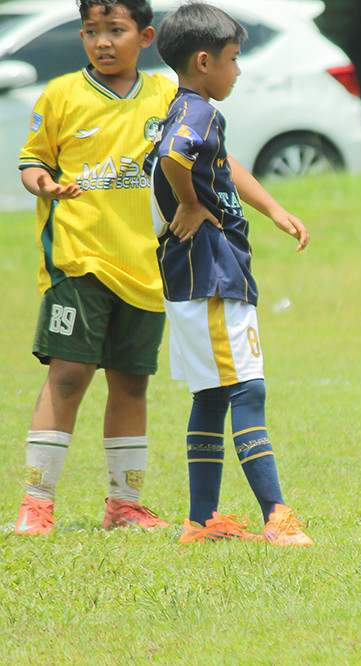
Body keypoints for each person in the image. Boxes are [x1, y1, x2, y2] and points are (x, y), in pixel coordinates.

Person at [148, 3, 312, 545]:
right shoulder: (199, 112)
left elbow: (217, 163)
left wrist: (273, 209)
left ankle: (202, 521)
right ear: (204, 62)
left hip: (196, 276)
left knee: (212, 394)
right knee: (247, 389)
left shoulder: (185, 108)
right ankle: (276, 515)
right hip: (211, 274)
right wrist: (191, 204)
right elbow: (175, 157)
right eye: (234, 59)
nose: (238, 70)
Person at [13, 0, 176, 535]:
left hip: (146, 266)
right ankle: (37, 503)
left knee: (131, 383)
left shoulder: (166, 95)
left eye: (115, 30)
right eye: (91, 31)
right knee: (68, 376)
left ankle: (124, 505)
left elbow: (200, 156)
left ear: (145, 36)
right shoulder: (61, 94)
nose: (102, 41)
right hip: (78, 259)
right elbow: (33, 161)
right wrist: (45, 184)